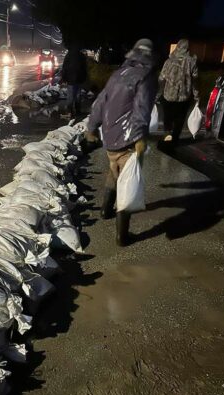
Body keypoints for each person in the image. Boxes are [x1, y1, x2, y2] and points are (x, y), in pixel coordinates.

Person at [85, 39, 158, 246]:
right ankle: (122, 237)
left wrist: (91, 127)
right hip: (128, 138)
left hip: (109, 135)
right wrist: (140, 137)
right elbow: (141, 110)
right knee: (127, 182)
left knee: (114, 170)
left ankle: (105, 210)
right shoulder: (146, 77)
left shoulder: (118, 74)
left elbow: (100, 102)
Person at [157, 39, 199, 142]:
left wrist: (159, 92)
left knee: (167, 117)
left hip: (168, 95)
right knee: (179, 119)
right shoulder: (191, 62)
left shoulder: (169, 61)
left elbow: (161, 78)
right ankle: (175, 138)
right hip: (184, 97)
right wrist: (196, 95)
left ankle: (167, 135)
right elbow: (195, 80)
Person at [60, 47, 88, 118]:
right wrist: (84, 78)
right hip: (79, 79)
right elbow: (85, 68)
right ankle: (78, 111)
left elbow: (64, 68)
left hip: (70, 79)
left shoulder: (68, 55)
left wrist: (64, 78)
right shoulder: (81, 56)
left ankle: (70, 112)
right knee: (78, 95)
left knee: (70, 96)